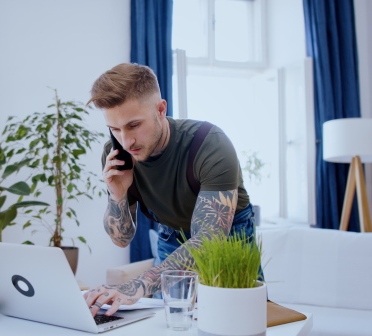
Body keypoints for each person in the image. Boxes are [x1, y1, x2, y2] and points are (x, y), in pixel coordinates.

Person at [83, 63, 257, 317]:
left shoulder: (209, 144)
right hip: (171, 238)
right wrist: (118, 195)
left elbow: (209, 241)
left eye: (134, 125)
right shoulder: (116, 156)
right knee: (169, 324)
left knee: (240, 319)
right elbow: (121, 240)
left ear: (161, 109)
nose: (126, 140)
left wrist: (138, 285)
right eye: (115, 129)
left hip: (228, 239)